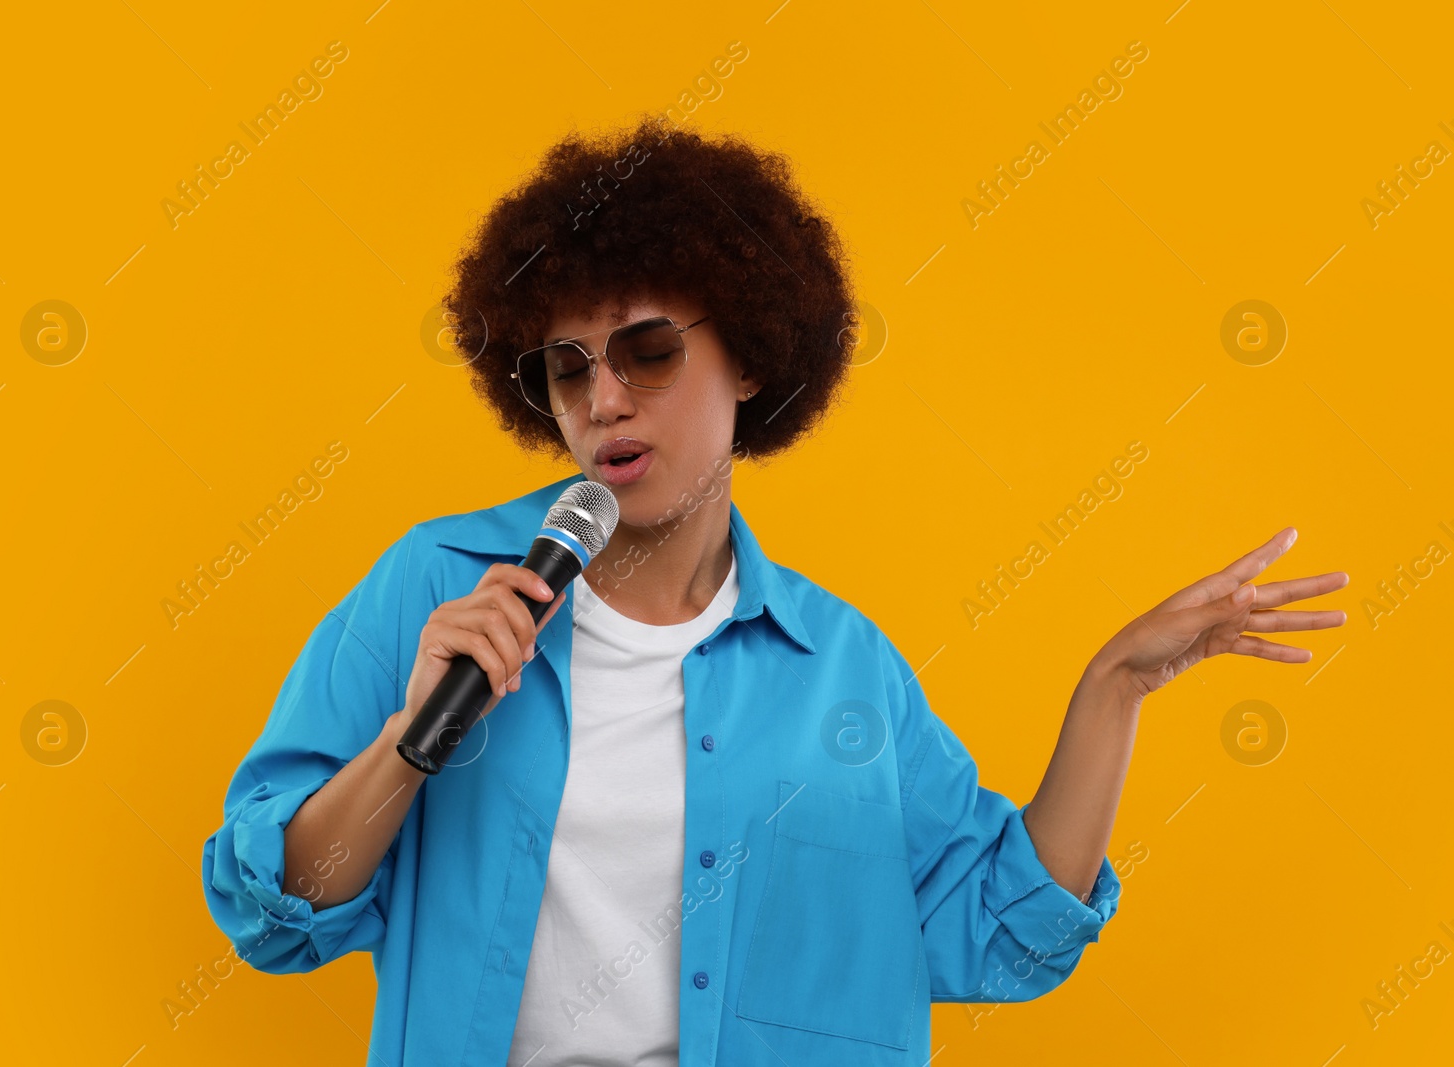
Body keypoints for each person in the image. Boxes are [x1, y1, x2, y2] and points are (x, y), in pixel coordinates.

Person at [201, 115, 1348, 1066]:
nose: (604, 398)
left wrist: (1111, 688)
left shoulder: (841, 667)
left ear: (748, 358)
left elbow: (997, 933)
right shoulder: (435, 587)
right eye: (566, 366)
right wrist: (408, 739)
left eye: (648, 350)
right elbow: (278, 910)